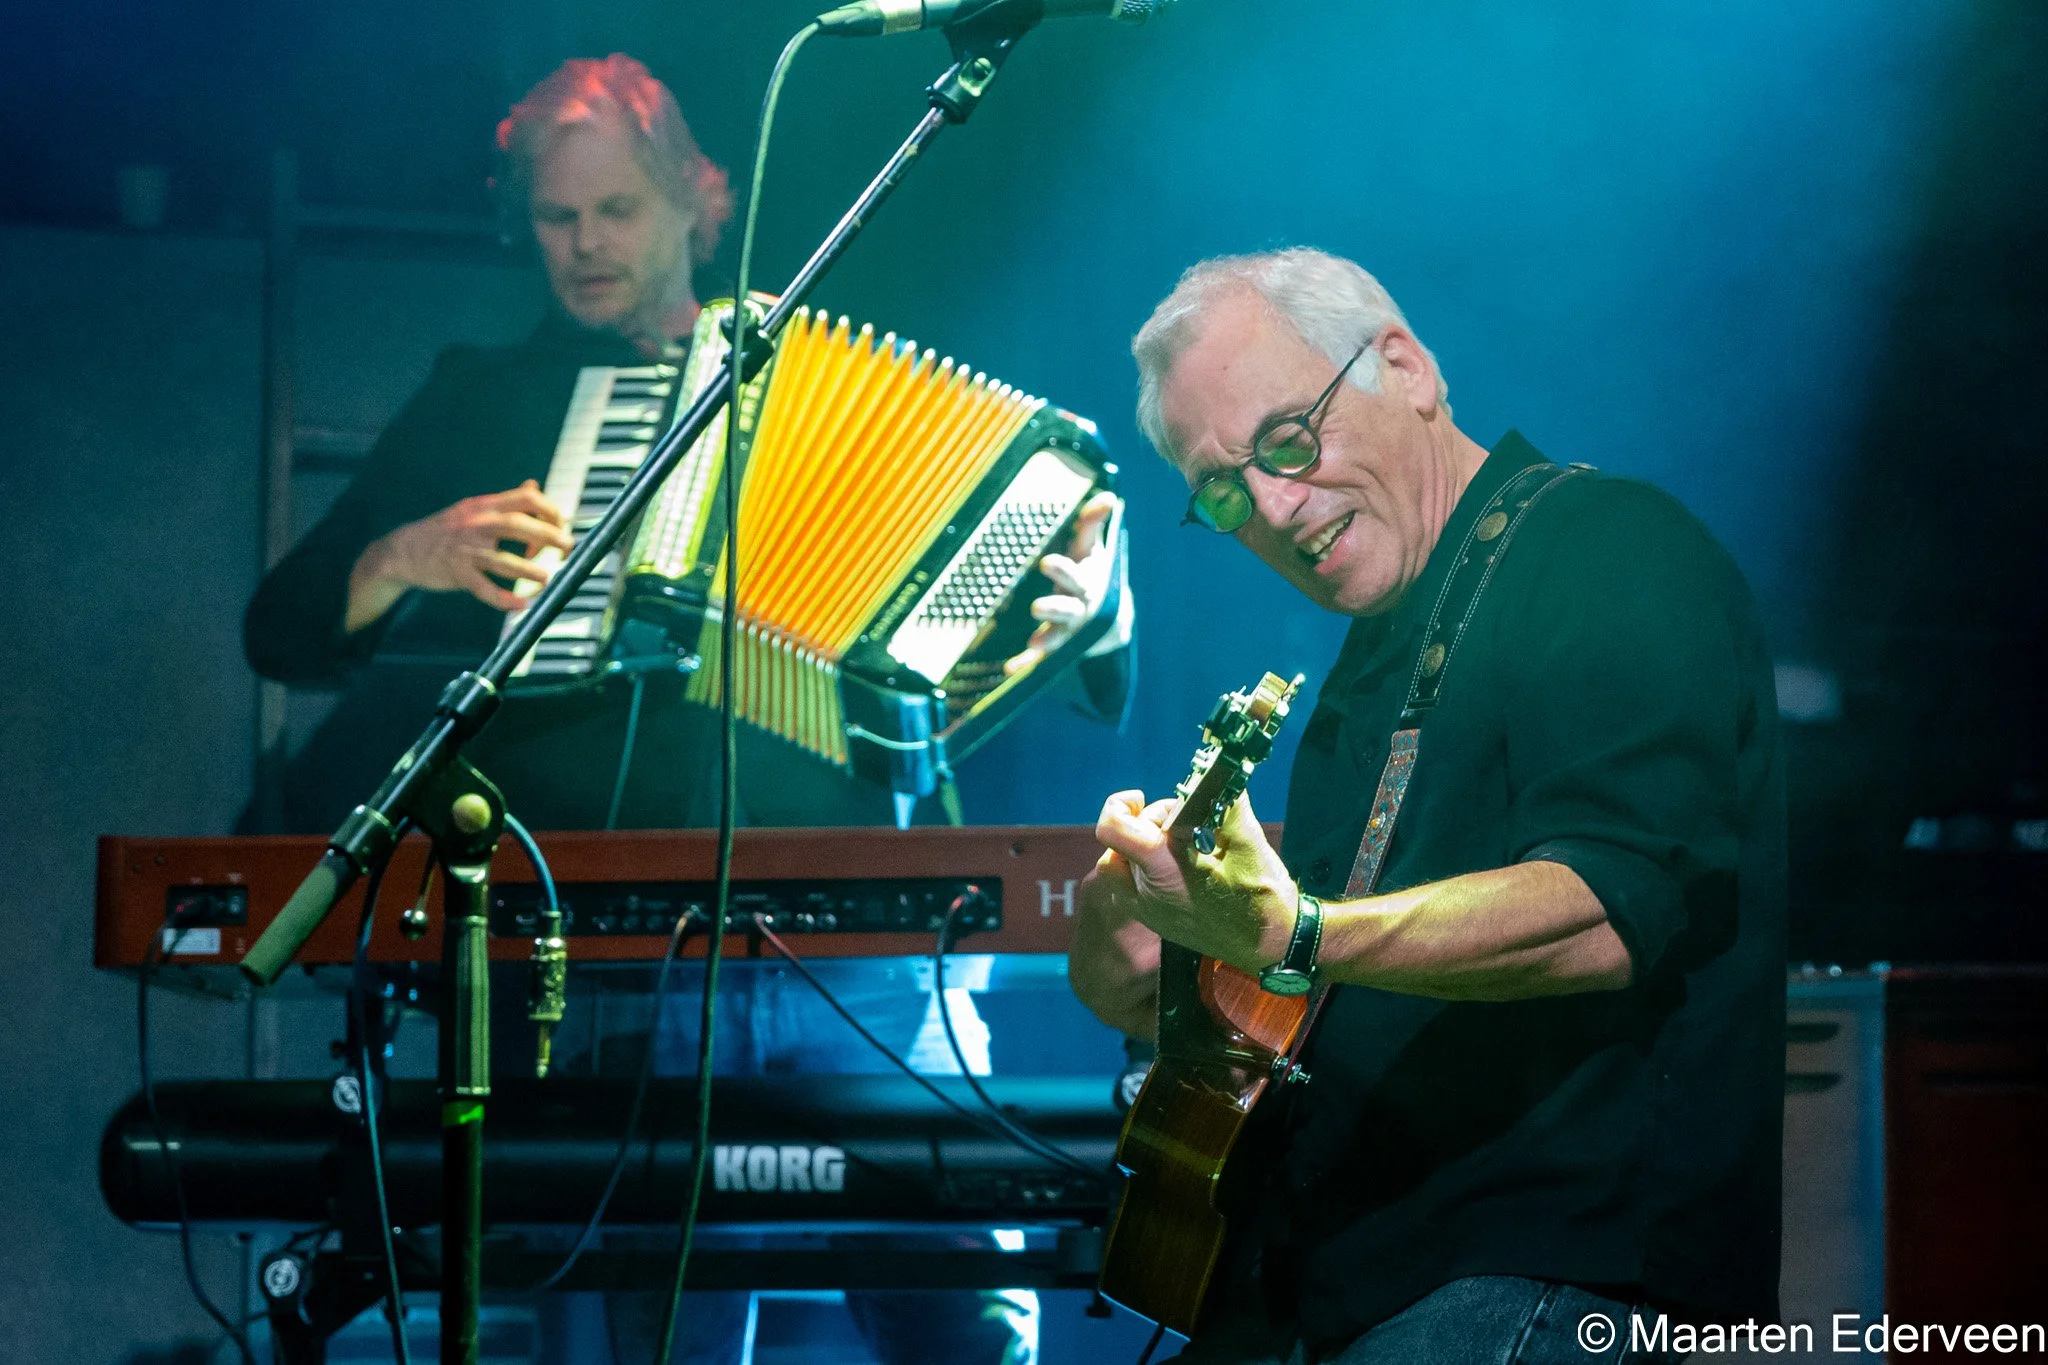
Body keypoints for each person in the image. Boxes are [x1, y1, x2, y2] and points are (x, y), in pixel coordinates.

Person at [245, 53, 1128, 1365]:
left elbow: (1038, 595)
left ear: (695, 204)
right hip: (607, 953)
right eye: (557, 217)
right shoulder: (483, 397)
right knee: (647, 1337)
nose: (586, 245)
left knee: (957, 1310)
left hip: (870, 940)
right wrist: (406, 554)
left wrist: (1098, 601)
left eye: (617, 211)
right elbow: (283, 625)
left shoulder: (808, 355)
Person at [1067, 249, 1784, 1364]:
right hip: (1347, 1284)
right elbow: (1320, 984)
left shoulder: (1604, 548)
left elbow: (1606, 906)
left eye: (1285, 443)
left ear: (1402, 367)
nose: (1267, 505)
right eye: (1221, 491)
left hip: (1549, 1278)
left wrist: (1295, 932)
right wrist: (1156, 960)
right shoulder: (1368, 660)